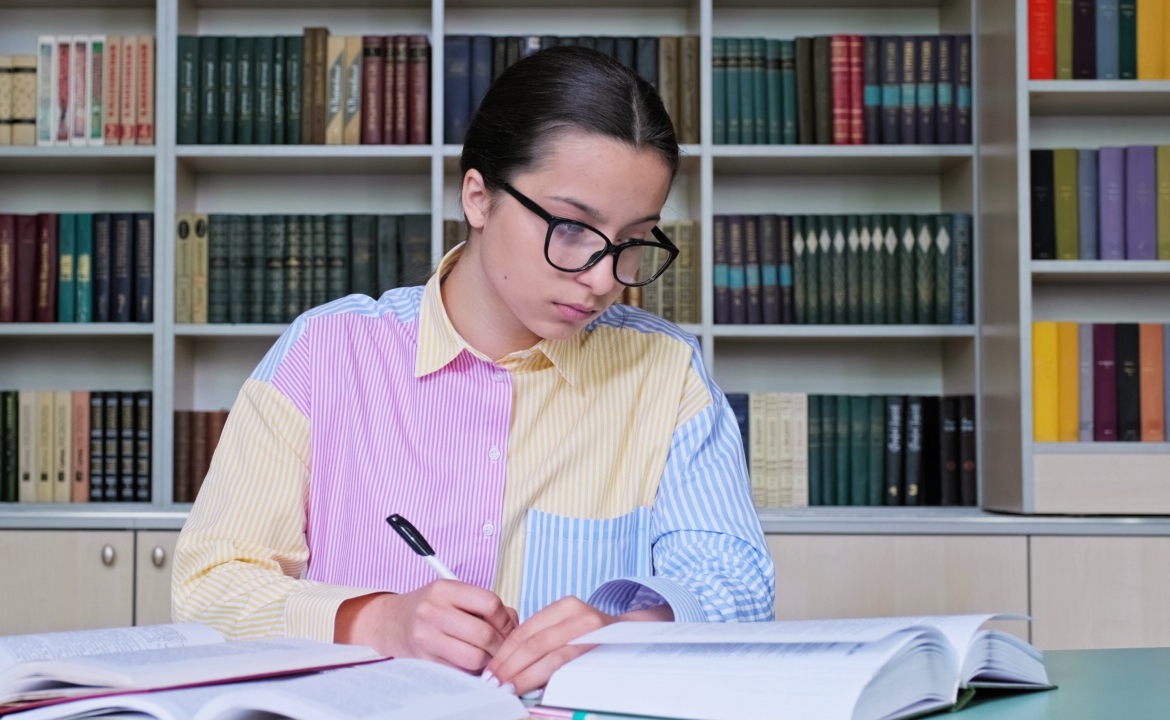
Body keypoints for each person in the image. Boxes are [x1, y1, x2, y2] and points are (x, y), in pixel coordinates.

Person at [172, 45, 774, 695]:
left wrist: (635, 625)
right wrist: (372, 620)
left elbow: (738, 584)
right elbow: (208, 589)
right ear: (479, 196)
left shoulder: (667, 373)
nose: (604, 280)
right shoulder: (326, 354)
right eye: (572, 228)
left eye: (633, 242)